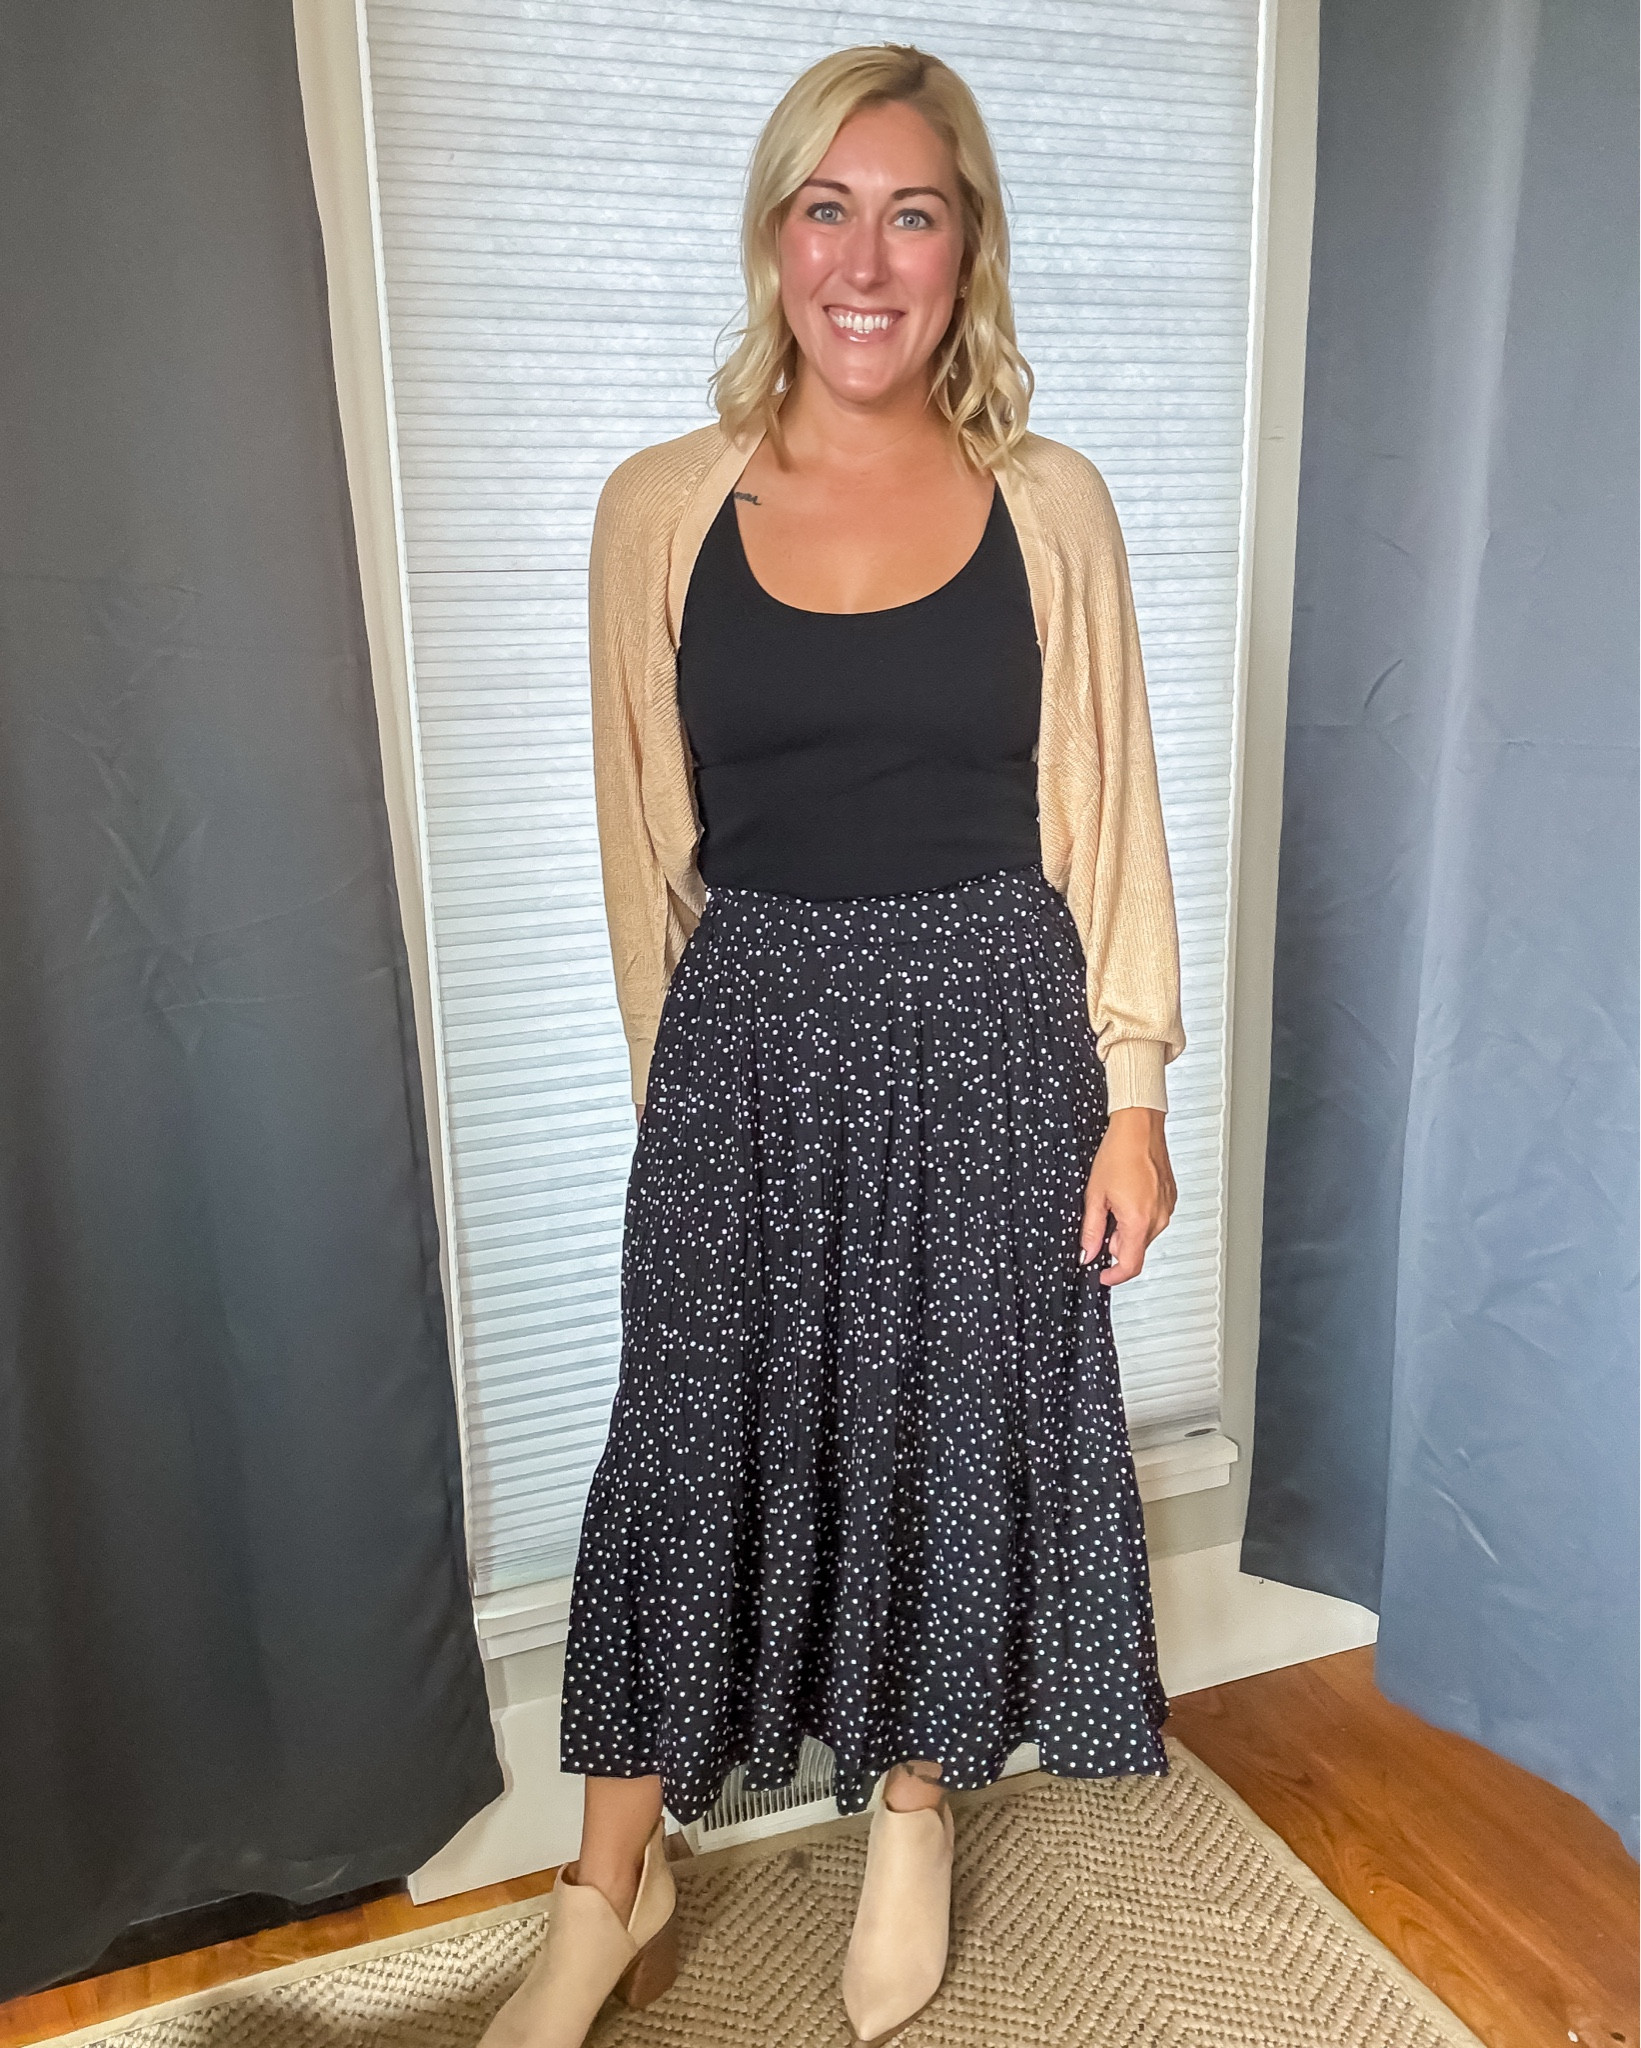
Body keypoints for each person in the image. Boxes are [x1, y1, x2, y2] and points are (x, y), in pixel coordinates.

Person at [479, 41, 1185, 2048]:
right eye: (826, 209)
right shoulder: (655, 512)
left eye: (912, 213)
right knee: (683, 1447)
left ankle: (910, 1802)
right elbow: (644, 849)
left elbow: (1110, 810)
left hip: (991, 1029)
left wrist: (1128, 1095)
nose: (864, 260)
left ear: (965, 252)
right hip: (749, 1040)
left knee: (948, 1434)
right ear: (770, 236)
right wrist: (675, 1096)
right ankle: (604, 1889)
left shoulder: (1048, 504)